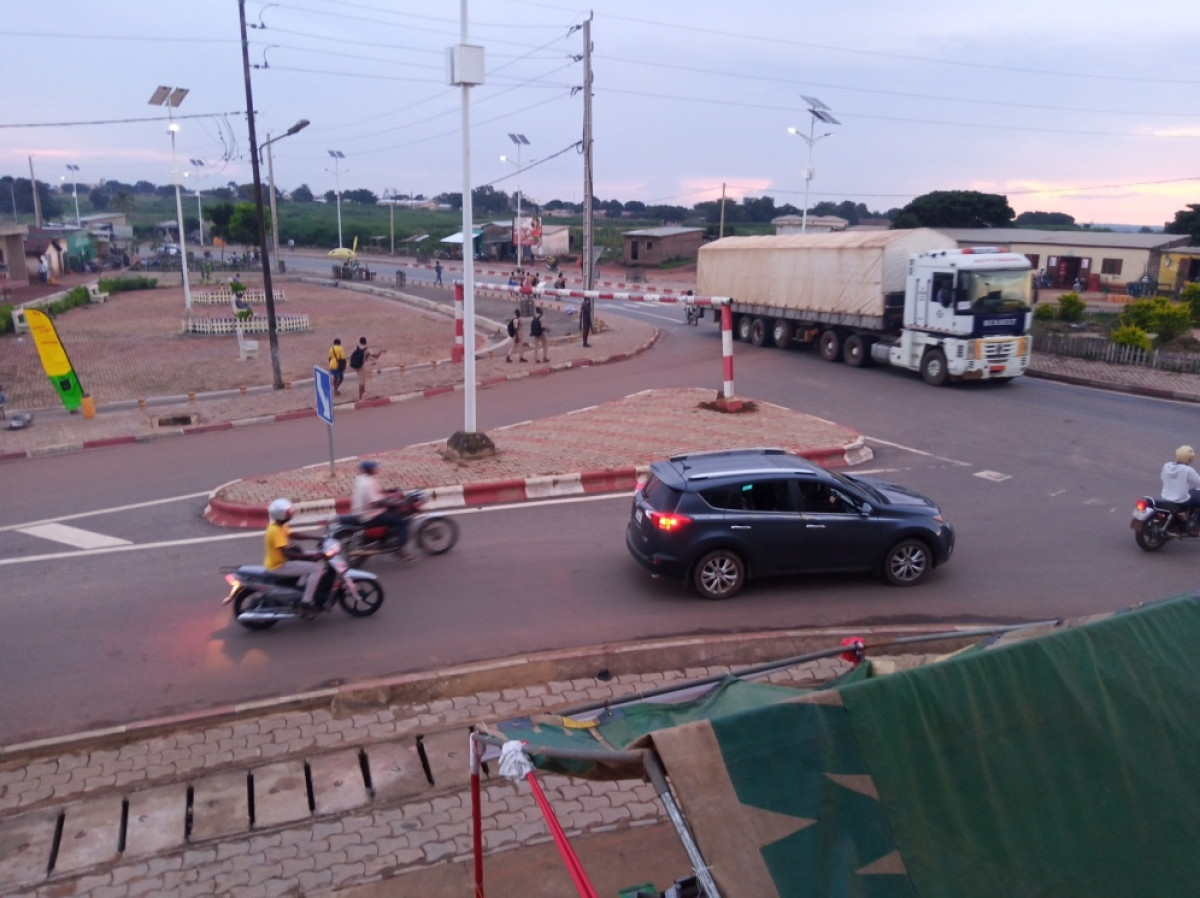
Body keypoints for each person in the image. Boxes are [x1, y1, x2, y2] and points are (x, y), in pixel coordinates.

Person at [263, 498, 324, 609]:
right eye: (289, 512)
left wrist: (317, 538)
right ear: (281, 514)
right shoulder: (275, 531)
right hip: (279, 565)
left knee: (317, 556)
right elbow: (288, 554)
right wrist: (311, 556)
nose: (292, 514)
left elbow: (294, 535)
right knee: (316, 568)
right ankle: (306, 601)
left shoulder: (280, 525)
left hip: (283, 560)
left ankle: (309, 588)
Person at [351, 460, 416, 562]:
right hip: (370, 515)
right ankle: (399, 548)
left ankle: (386, 539)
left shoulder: (362, 479)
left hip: (363, 511)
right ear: (370, 470)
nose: (376, 469)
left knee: (391, 516)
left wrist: (389, 492)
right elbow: (376, 502)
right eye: (374, 468)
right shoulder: (368, 483)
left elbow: (376, 494)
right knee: (402, 520)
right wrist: (396, 503)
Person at [1161, 446, 1200, 529]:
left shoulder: (1167, 466)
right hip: (1180, 501)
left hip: (1165, 498)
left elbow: (1162, 478)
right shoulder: (1188, 470)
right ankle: (1195, 526)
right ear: (1190, 458)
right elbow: (1198, 482)